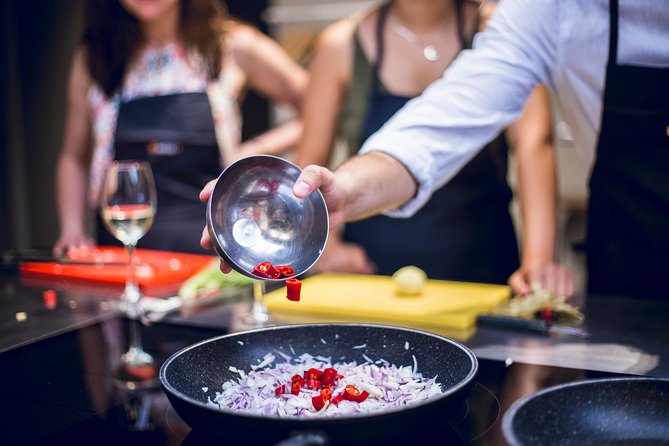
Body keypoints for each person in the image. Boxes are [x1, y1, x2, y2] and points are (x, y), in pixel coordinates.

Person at [202, 0, 668, 300]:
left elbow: (533, 144)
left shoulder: (492, 17)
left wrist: (538, 258)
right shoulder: (548, 12)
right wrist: (340, 190)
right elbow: (431, 134)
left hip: (484, 255)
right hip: (634, 259)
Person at [293, 0, 564, 289]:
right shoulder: (341, 44)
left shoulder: (503, 32)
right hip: (371, 276)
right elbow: (308, 166)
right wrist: (327, 245)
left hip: (483, 271)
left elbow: (534, 144)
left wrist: (538, 260)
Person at [53, 0, 307, 256]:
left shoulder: (231, 44)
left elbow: (318, 107)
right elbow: (73, 157)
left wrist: (256, 148)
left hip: (212, 254)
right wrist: (72, 229)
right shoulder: (94, 56)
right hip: (121, 254)